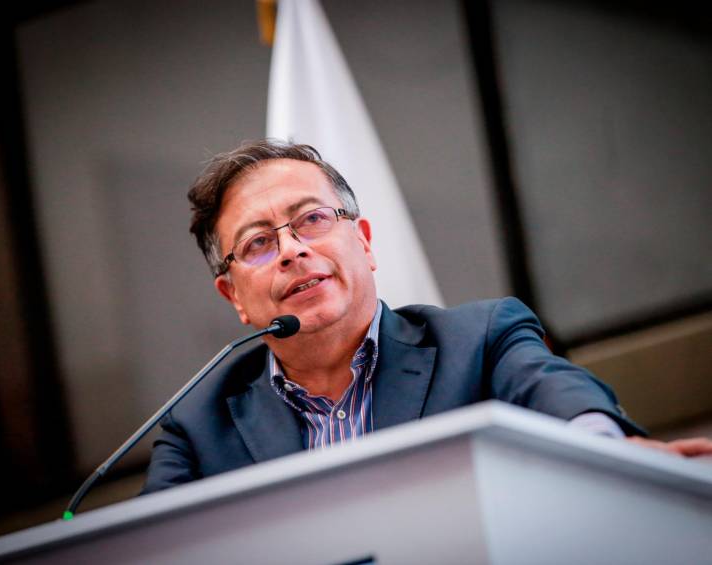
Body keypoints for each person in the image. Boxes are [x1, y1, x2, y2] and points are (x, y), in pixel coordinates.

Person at [142, 139, 711, 493]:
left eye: (312, 219)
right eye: (259, 243)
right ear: (234, 297)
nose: (292, 250)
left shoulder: (479, 340)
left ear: (364, 242)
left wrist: (609, 451)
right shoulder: (197, 427)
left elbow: (556, 394)